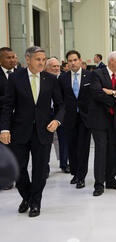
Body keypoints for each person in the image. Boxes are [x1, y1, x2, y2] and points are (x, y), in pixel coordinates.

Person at [0, 46, 65, 217]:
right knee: (19, 169)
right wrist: (4, 128)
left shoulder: (51, 79)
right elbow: (7, 106)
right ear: (28, 59)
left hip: (43, 132)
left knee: (40, 169)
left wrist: (56, 120)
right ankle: (27, 196)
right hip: (20, 131)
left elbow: (61, 105)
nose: (42, 63)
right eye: (38, 59)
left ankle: (35, 202)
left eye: (44, 60)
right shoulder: (15, 78)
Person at [87, 51, 116, 197]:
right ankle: (99, 184)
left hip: (115, 120)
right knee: (101, 151)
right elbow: (96, 94)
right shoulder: (97, 74)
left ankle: (111, 180)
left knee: (113, 151)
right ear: (111, 61)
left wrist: (112, 93)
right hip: (99, 120)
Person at [59, 50, 92, 189]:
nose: (72, 63)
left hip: (85, 117)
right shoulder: (63, 78)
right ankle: (75, 173)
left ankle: (81, 176)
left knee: (83, 147)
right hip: (69, 118)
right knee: (72, 147)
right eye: (70, 61)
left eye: (75, 60)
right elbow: (60, 99)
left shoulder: (90, 76)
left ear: (80, 60)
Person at [0, 47, 21, 190]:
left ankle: (18, 176)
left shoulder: (21, 73)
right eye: (9, 57)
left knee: (18, 150)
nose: (13, 60)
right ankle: (5, 180)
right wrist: (9, 100)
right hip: (2, 118)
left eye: (14, 56)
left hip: (19, 119)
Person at [45, 57, 70, 174]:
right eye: (53, 66)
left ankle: (64, 164)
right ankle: (45, 166)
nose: (56, 68)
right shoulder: (42, 78)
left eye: (57, 66)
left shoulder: (64, 77)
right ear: (47, 68)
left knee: (63, 138)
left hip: (61, 112)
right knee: (45, 141)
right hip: (46, 112)